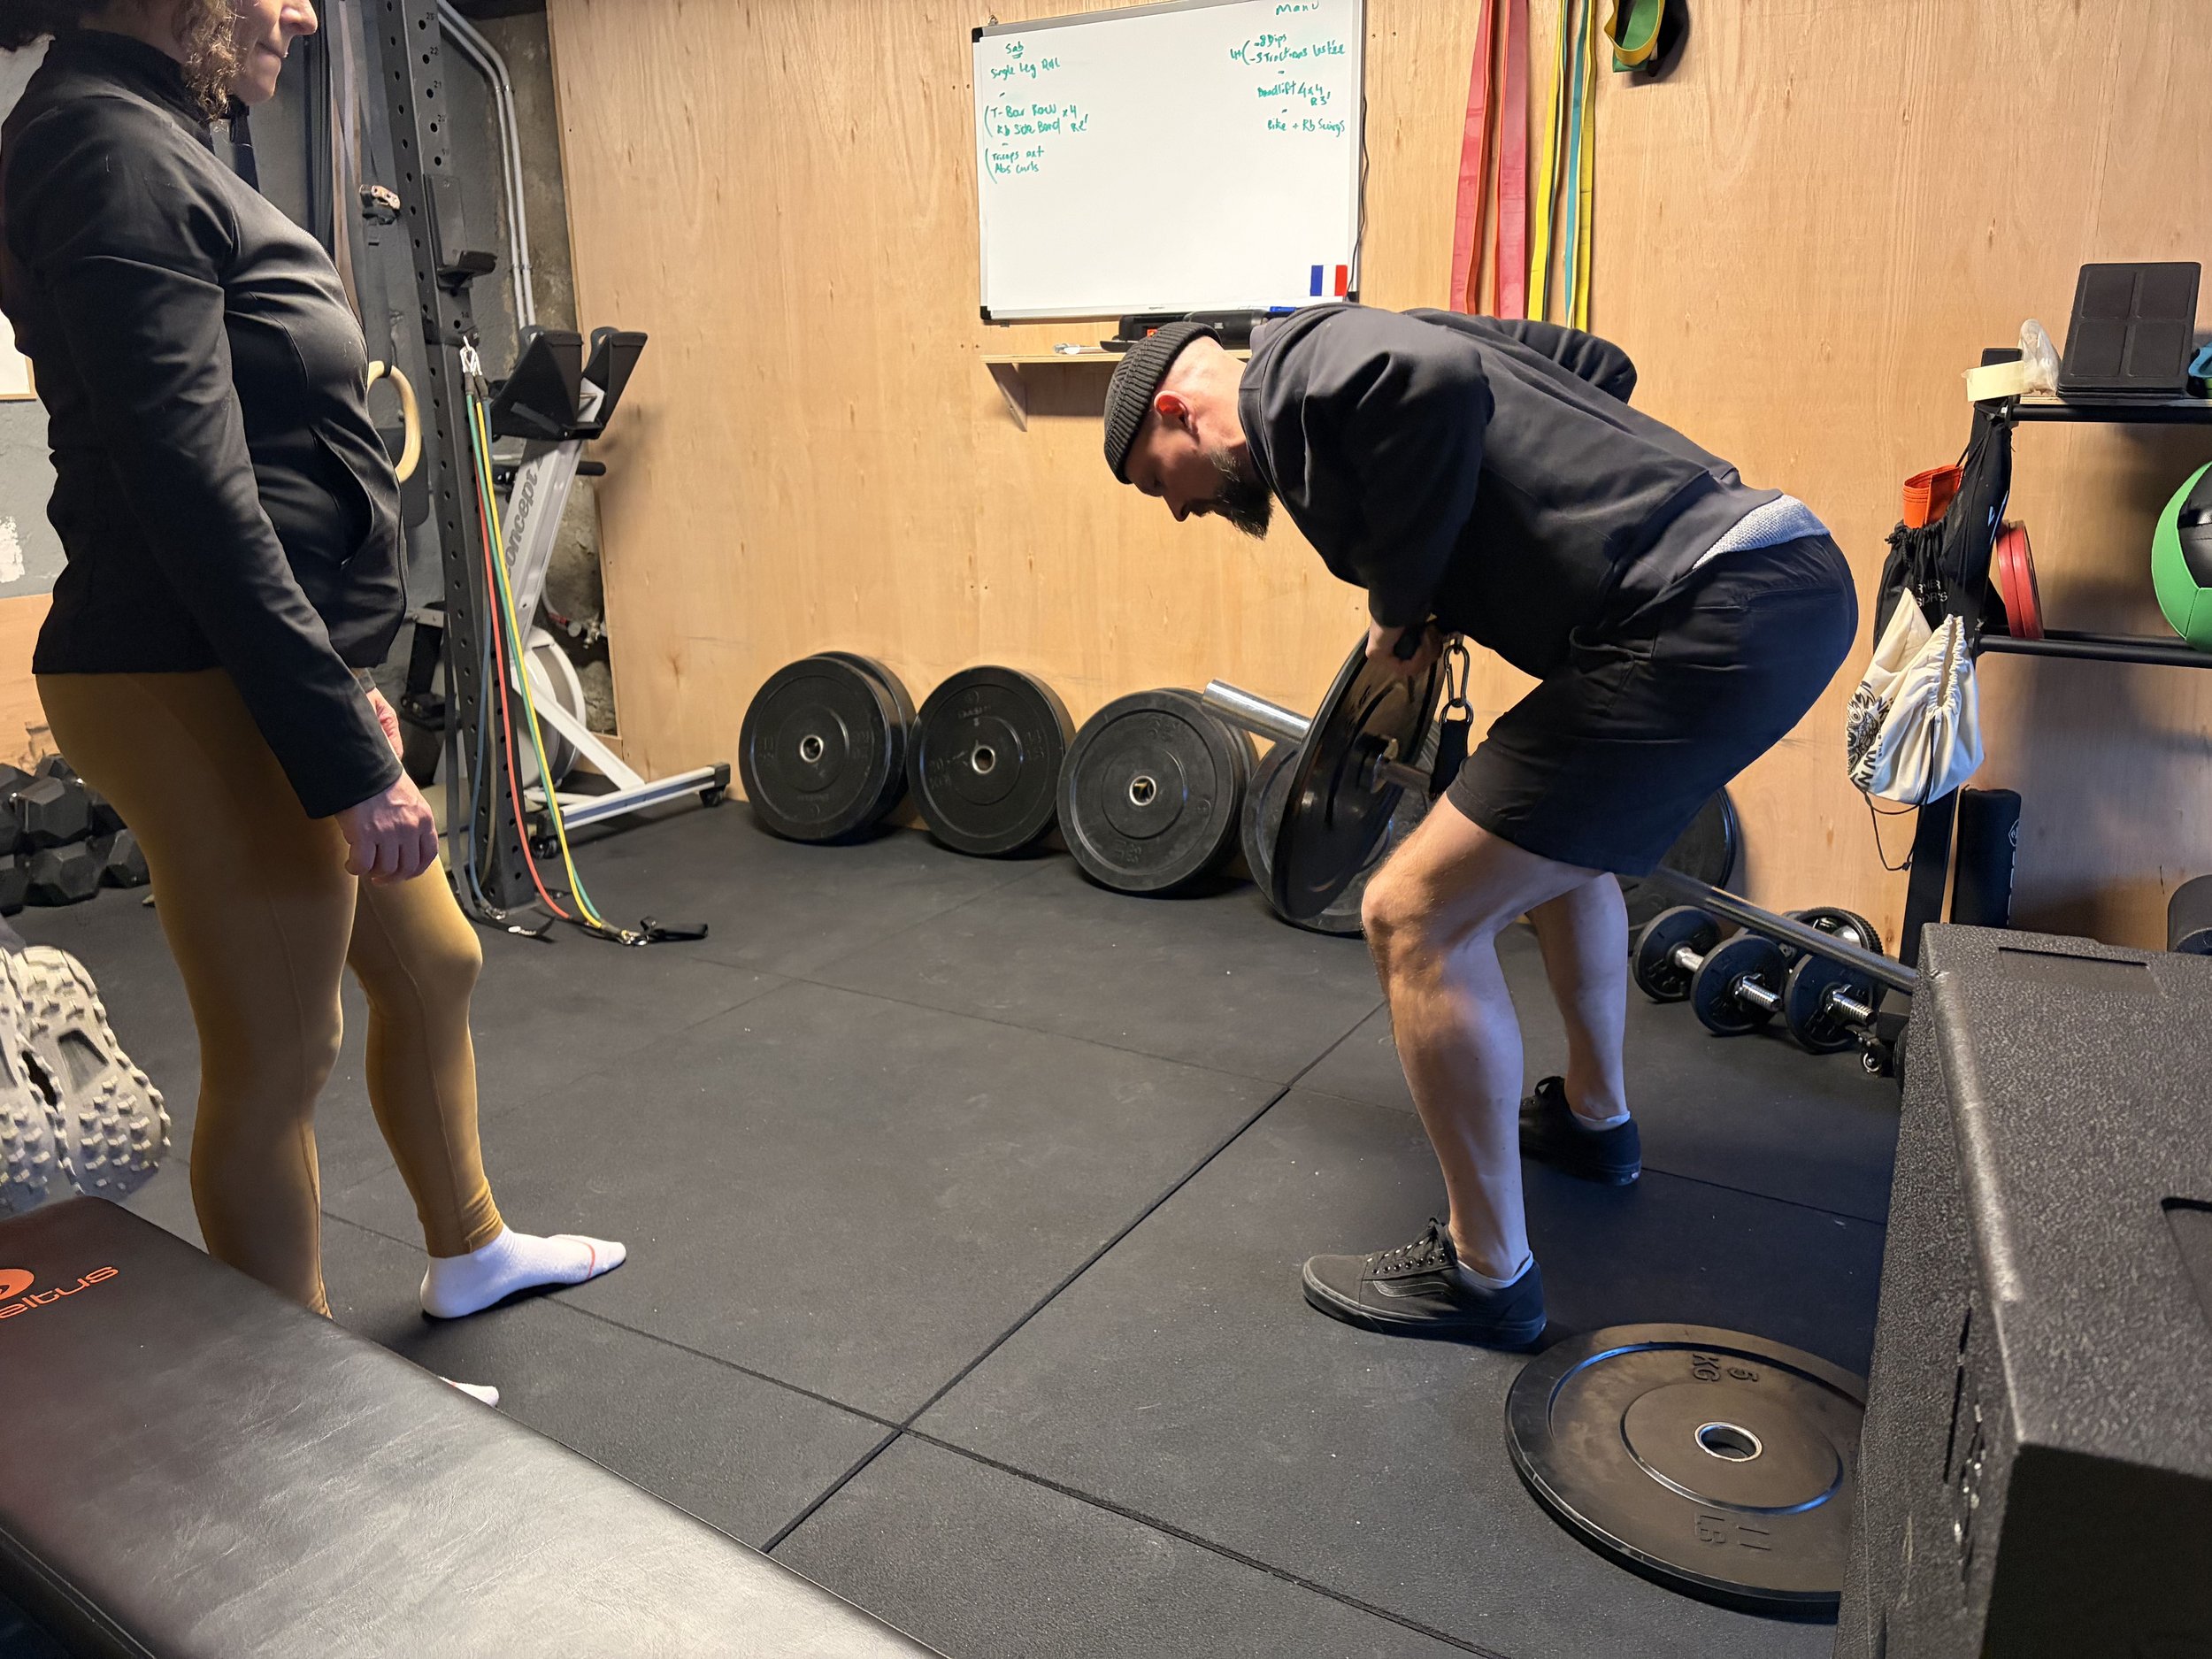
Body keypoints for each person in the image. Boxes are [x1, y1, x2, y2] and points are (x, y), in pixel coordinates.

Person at [0, 0, 623, 1340]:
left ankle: (470, 1249)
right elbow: (191, 483)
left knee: (433, 959)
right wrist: (337, 747)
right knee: (283, 1049)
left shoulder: (154, 136)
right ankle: (298, 1410)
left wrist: (338, 680)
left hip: (259, 665)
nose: (294, 11)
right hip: (184, 673)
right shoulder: (100, 146)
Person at [1101, 307, 1857, 1348]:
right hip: (1779, 574)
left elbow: (1436, 383)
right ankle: (1594, 1125)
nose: (1179, 510)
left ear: (1178, 412)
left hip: (1699, 613)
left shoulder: (1294, 380)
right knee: (1556, 852)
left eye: (1157, 481)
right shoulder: (1362, 340)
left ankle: (1484, 1273)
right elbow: (1599, 365)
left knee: (1411, 916)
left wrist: (1401, 602)